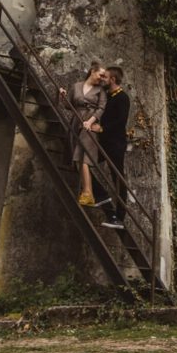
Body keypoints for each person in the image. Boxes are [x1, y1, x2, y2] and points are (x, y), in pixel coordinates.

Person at [59, 61, 106, 206]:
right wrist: (63, 96)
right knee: (78, 156)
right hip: (76, 122)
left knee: (83, 155)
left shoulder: (101, 91)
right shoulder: (76, 86)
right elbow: (69, 106)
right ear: (92, 71)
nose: (102, 78)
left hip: (89, 126)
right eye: (101, 75)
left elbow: (101, 108)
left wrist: (90, 122)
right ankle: (88, 193)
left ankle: (87, 193)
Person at [93, 65, 130, 229]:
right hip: (104, 144)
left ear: (113, 80)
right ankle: (100, 194)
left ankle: (119, 218)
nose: (103, 79)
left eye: (106, 77)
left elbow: (120, 121)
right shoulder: (108, 96)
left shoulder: (122, 98)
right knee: (83, 161)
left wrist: (102, 128)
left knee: (118, 178)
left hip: (115, 145)